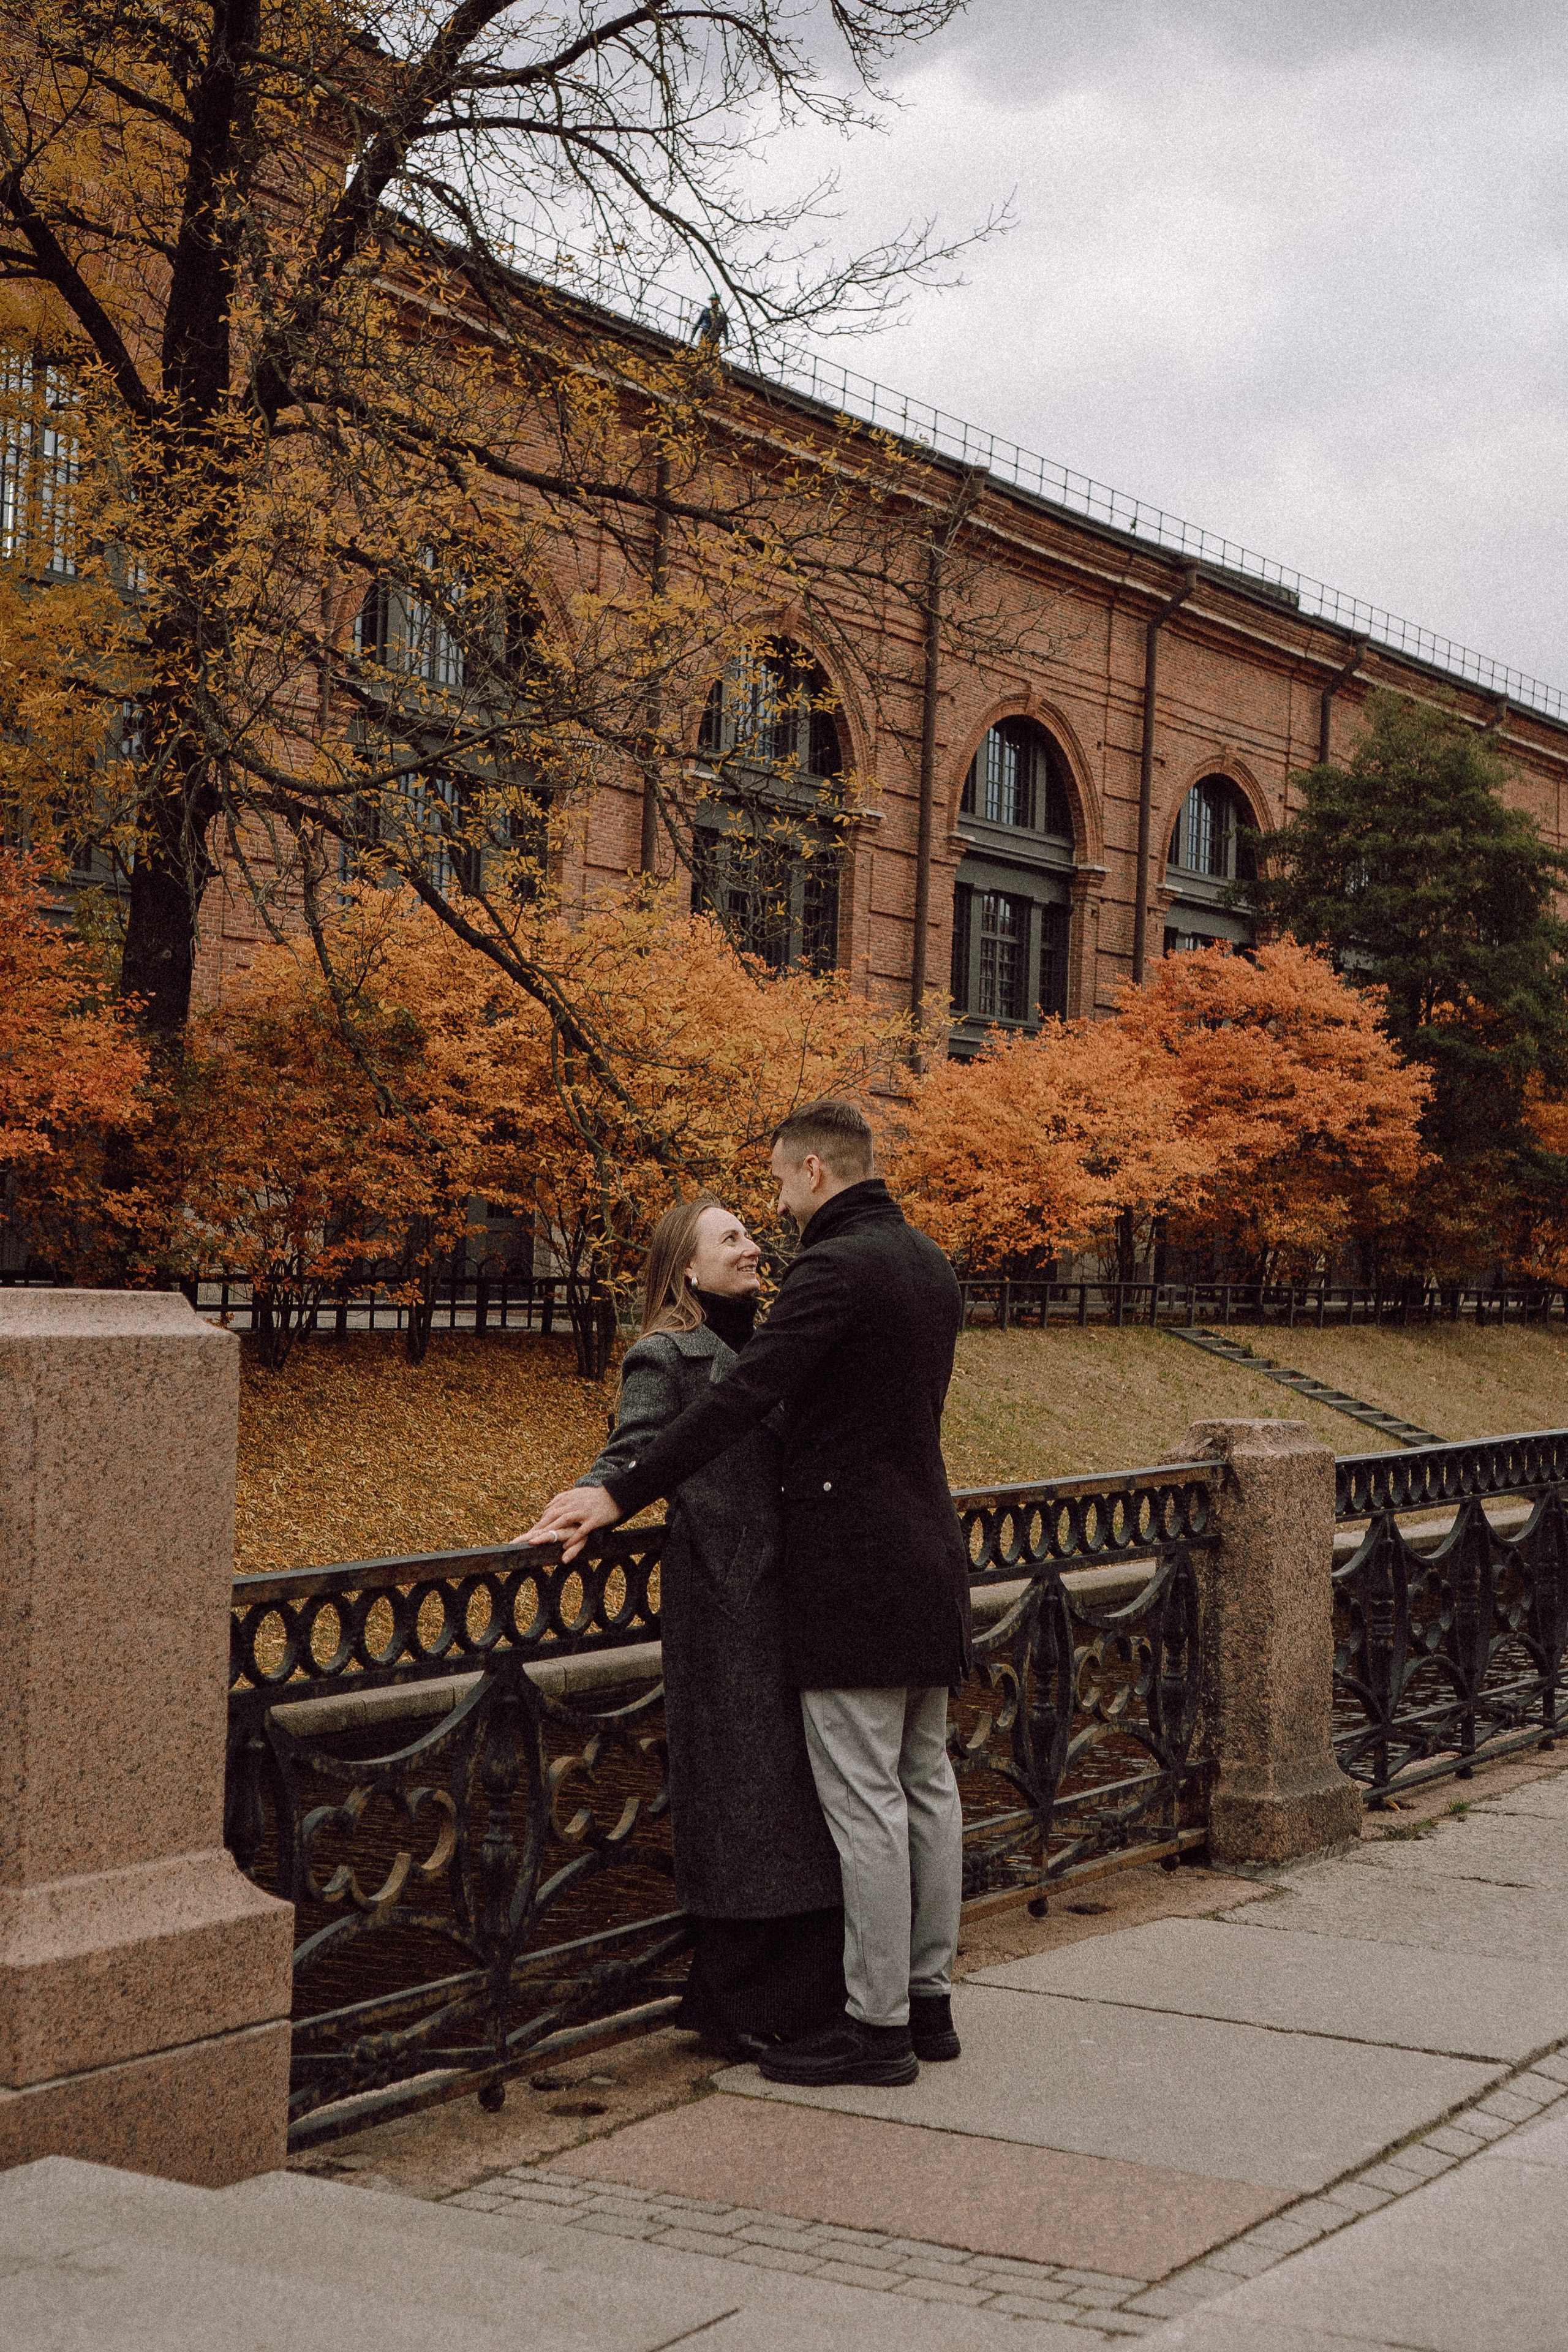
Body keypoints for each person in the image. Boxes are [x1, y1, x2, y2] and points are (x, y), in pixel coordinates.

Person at [527, 1097, 972, 2089]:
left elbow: (744, 1396)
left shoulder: (835, 1267)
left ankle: (878, 2029)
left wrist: (617, 1492)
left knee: (866, 1807)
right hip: (930, 1556)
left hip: (851, 1574)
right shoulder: (931, 1263)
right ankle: (930, 2003)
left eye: (775, 1183)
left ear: (815, 1173)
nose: (774, 1208)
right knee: (927, 1785)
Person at [571, 1193, 845, 2060]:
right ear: (685, 1267)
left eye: (750, 1233)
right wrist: (593, 1500)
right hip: (727, 1603)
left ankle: (794, 1994)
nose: (752, 1246)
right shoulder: (667, 1352)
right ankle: (742, 2002)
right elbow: (637, 1447)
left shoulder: (771, 1345)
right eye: (730, 1238)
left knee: (793, 1800)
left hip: (794, 1593)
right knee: (745, 1802)